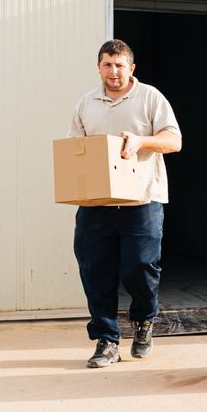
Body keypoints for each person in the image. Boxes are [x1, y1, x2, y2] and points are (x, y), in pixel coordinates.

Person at [69, 39, 182, 367]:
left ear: (131, 68)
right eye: (107, 64)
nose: (113, 71)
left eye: (120, 65)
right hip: (97, 203)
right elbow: (77, 150)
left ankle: (144, 320)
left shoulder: (150, 98)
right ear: (99, 67)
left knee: (139, 267)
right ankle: (106, 340)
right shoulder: (86, 103)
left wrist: (141, 141)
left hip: (142, 199)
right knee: (95, 271)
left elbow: (174, 140)